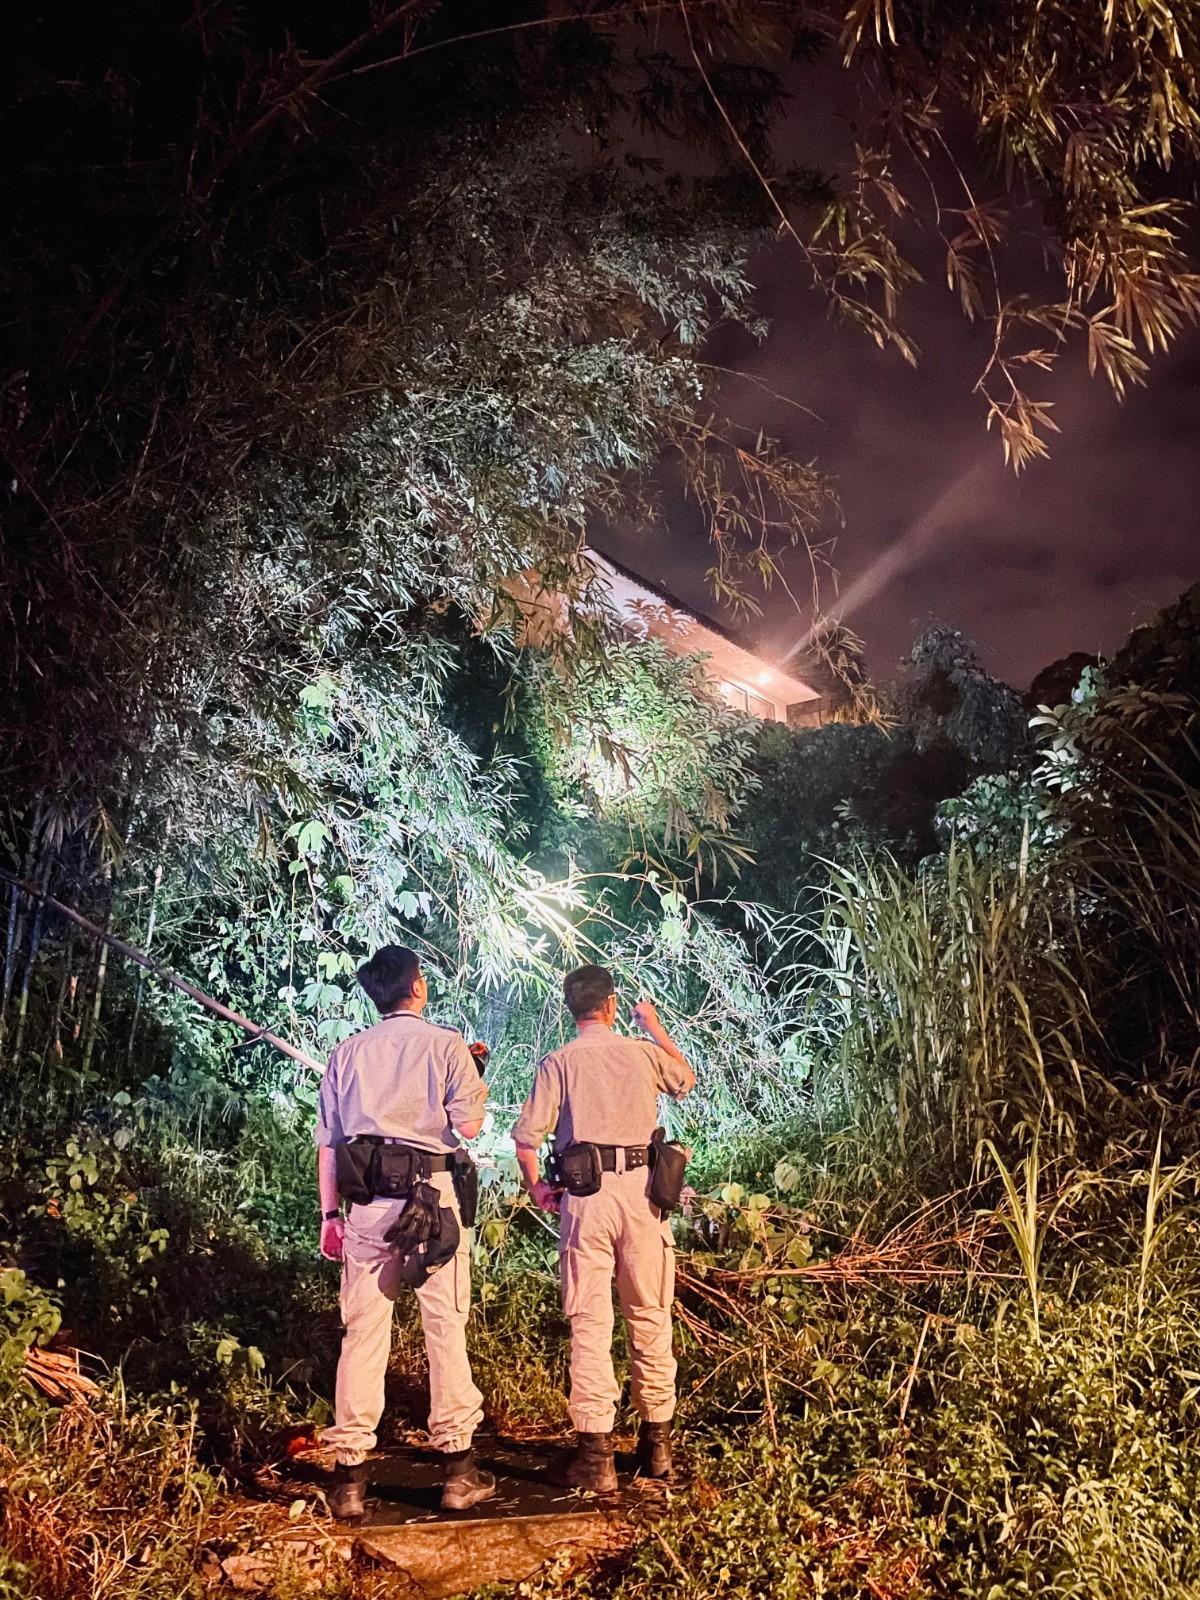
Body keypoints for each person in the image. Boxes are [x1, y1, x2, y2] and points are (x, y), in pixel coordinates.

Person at [315, 944, 494, 1520]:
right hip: (432, 1200)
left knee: (363, 1334)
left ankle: (349, 1479)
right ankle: (458, 1472)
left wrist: (329, 1217)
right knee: (445, 1327)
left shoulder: (346, 1052)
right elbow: (470, 1126)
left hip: (367, 1205)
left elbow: (329, 1144)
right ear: (417, 987)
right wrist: (472, 1078)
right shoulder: (446, 1044)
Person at [513, 964, 695, 1491]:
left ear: (572, 1009)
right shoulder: (640, 1052)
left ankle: (595, 1458)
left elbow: (526, 1140)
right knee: (650, 1312)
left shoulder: (560, 1061)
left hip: (586, 1197)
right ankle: (657, 1447)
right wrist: (654, 1025)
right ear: (612, 1005)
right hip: (643, 1198)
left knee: (590, 1321)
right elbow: (684, 1079)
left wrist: (537, 1188)